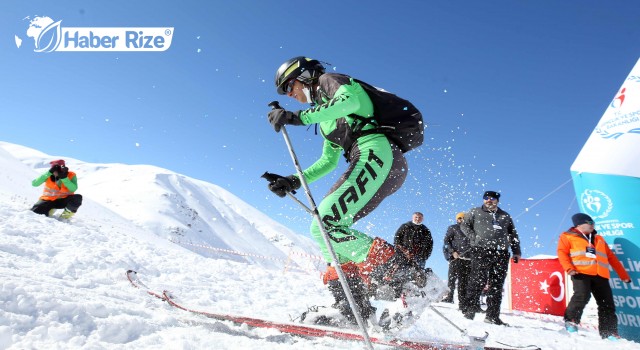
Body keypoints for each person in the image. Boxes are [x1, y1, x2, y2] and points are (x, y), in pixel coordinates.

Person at [265, 56, 425, 325]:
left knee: (325, 223)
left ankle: (414, 283)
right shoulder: (325, 118)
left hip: (377, 151)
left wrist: (297, 118)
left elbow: (350, 103)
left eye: (289, 87)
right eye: (285, 93)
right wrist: (293, 180)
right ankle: (353, 307)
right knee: (330, 238)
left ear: (304, 77)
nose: (289, 95)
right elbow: (327, 162)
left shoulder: (331, 82)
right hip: (367, 158)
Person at [557, 213, 631, 340]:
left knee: (607, 303)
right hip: (580, 272)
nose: (593, 225)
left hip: (600, 275)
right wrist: (569, 268)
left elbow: (612, 258)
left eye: (593, 223)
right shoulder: (567, 236)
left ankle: (608, 333)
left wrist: (623, 275)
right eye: (589, 223)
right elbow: (562, 253)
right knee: (582, 296)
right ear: (579, 224)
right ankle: (571, 321)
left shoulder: (599, 239)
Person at [459, 191, 521, 326]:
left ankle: (492, 316)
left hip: (501, 252)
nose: (489, 200)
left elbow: (513, 234)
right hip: (481, 250)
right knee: (477, 279)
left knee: (497, 284)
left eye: (492, 198)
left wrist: (516, 251)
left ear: (497, 201)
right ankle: (469, 310)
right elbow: (464, 225)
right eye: (486, 198)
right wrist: (473, 237)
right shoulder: (475, 211)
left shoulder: (505, 215)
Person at [442, 212, 472, 307]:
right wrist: (452, 252)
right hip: (456, 257)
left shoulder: (471, 230)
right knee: (452, 278)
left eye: (464, 218)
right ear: (457, 219)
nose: (462, 220)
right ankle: (449, 297)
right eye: (460, 218)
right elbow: (446, 241)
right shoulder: (453, 228)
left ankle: (463, 301)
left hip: (468, 258)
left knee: (464, 281)